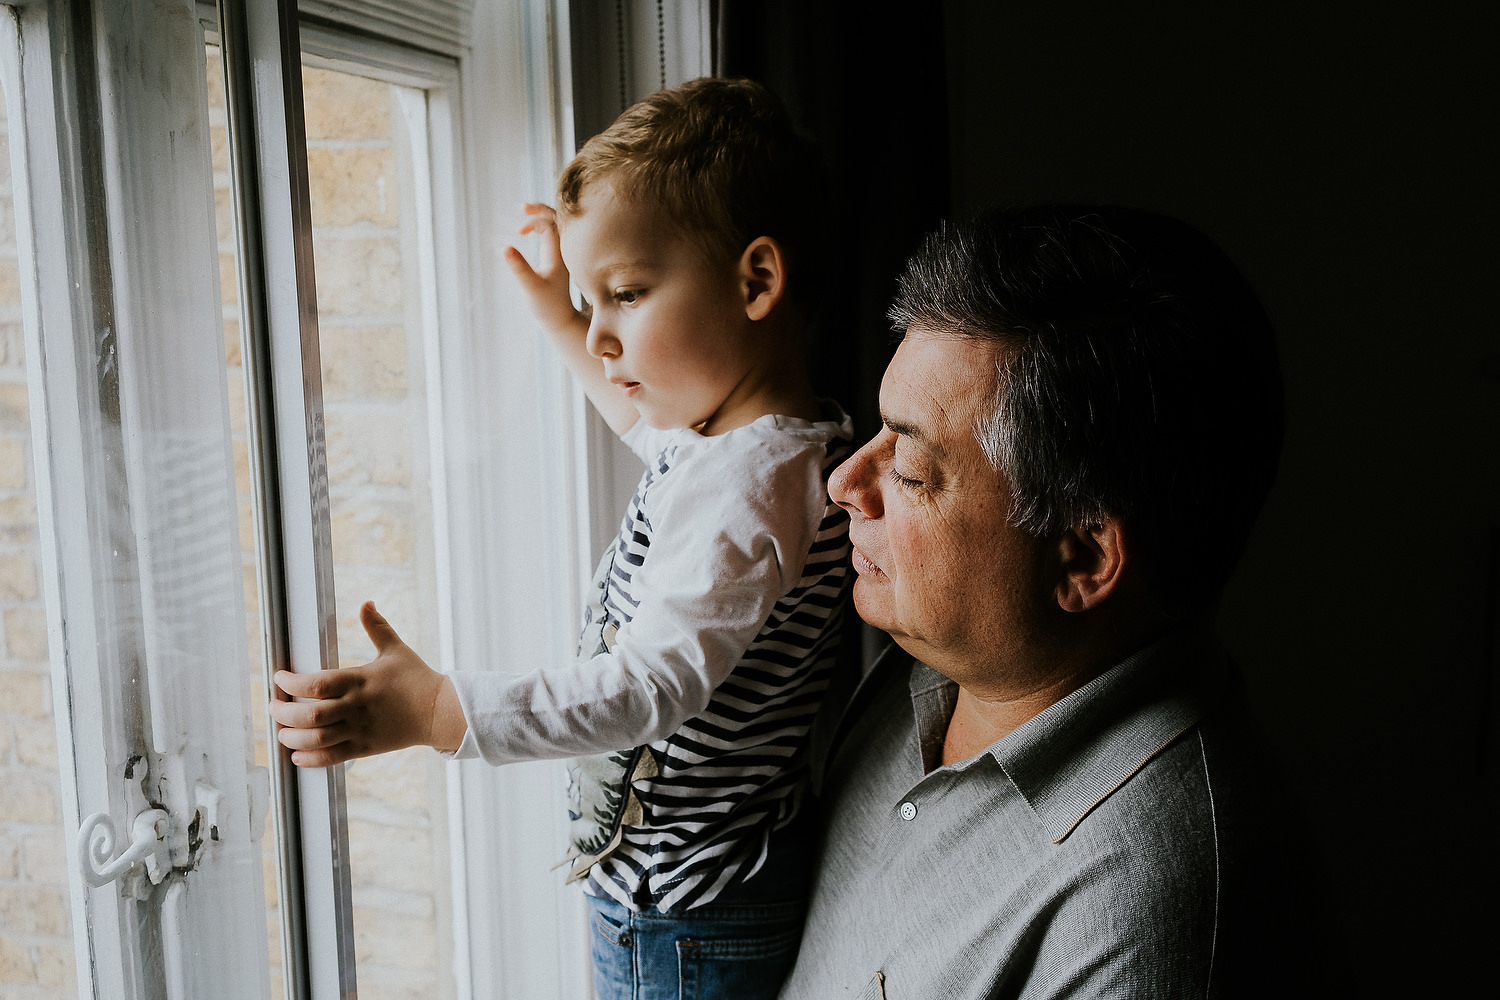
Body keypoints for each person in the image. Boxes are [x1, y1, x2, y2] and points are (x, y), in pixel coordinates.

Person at [272, 78, 853, 1000]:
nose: (605, 339)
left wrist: (435, 712)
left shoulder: (749, 492)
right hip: (705, 888)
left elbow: (648, 690)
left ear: (757, 281)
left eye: (624, 294)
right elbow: (636, 420)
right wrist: (559, 306)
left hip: (682, 914)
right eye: (594, 307)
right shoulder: (754, 448)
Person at [777, 205, 1339, 998]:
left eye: (908, 466)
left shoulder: (1143, 914)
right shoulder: (933, 670)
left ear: (1080, 557)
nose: (843, 483)